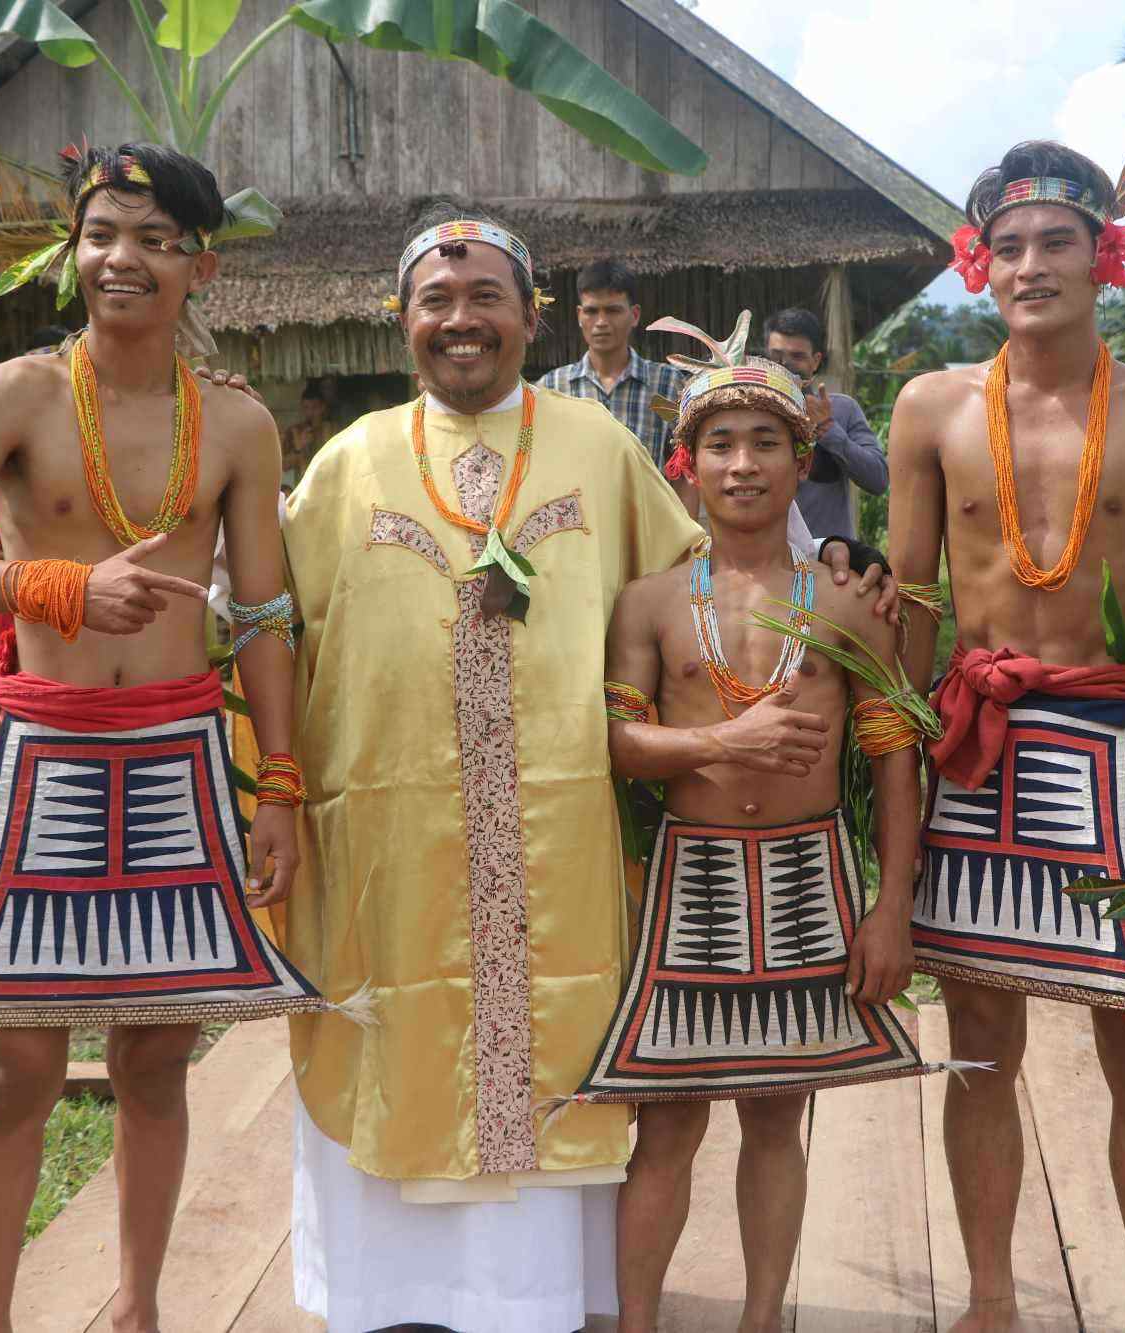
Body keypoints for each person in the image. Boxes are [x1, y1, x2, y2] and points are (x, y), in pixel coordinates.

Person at [279, 204, 893, 1332]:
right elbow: (274, 632)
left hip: (560, 841)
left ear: (531, 315)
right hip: (394, 844)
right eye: (435, 302)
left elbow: (713, 576)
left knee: (578, 1074)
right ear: (400, 320)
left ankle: (546, 1301)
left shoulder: (595, 445)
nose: (461, 323)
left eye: (485, 301)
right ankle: (385, 1295)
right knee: (400, 1043)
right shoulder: (344, 463)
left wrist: (836, 562)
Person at [0, 141, 316, 1333]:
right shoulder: (16, 392)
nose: (122, 259)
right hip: (50, 755)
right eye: (101, 234)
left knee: (154, 1059)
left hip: (176, 753)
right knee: (15, 1064)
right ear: (74, 252)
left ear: (199, 266)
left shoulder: (234, 422)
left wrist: (280, 782)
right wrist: (48, 586)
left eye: (153, 240)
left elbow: (264, 611)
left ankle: (139, 1308)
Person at [890, 140, 1125, 1333]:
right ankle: (988, 1300)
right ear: (980, 262)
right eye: (1007, 246)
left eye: (1056, 243)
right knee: (980, 1041)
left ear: (1105, 256)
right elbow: (912, 603)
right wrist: (889, 774)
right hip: (972, 744)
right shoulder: (929, 404)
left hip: (1119, 750)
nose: (1029, 267)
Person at [598, 315, 926, 1333]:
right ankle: (640, 1321)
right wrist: (718, 746)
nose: (741, 466)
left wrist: (890, 909)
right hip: (689, 880)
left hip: (805, 874)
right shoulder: (648, 602)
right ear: (683, 462)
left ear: (802, 457)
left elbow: (890, 753)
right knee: (666, 1123)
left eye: (765, 444)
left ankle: (758, 1319)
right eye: (721, 445)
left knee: (777, 1116)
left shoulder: (846, 597)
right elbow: (612, 745)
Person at [537, 257, 688, 477]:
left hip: (645, 512)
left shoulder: (668, 384)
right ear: (580, 315)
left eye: (613, 310)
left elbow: (684, 469)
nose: (601, 322)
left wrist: (685, 513)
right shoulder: (551, 388)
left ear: (634, 315)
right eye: (591, 311)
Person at [762, 307, 889, 540]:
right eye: (777, 356)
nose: (785, 365)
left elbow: (878, 479)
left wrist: (827, 429)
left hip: (832, 564)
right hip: (764, 562)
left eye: (797, 356)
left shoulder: (842, 410)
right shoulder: (749, 414)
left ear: (816, 361)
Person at [279, 383, 336, 487]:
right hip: (303, 486)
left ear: (322, 407)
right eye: (306, 408)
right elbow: (284, 466)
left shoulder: (333, 429)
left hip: (329, 483)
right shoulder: (294, 431)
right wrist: (299, 448)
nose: (310, 413)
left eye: (314, 408)